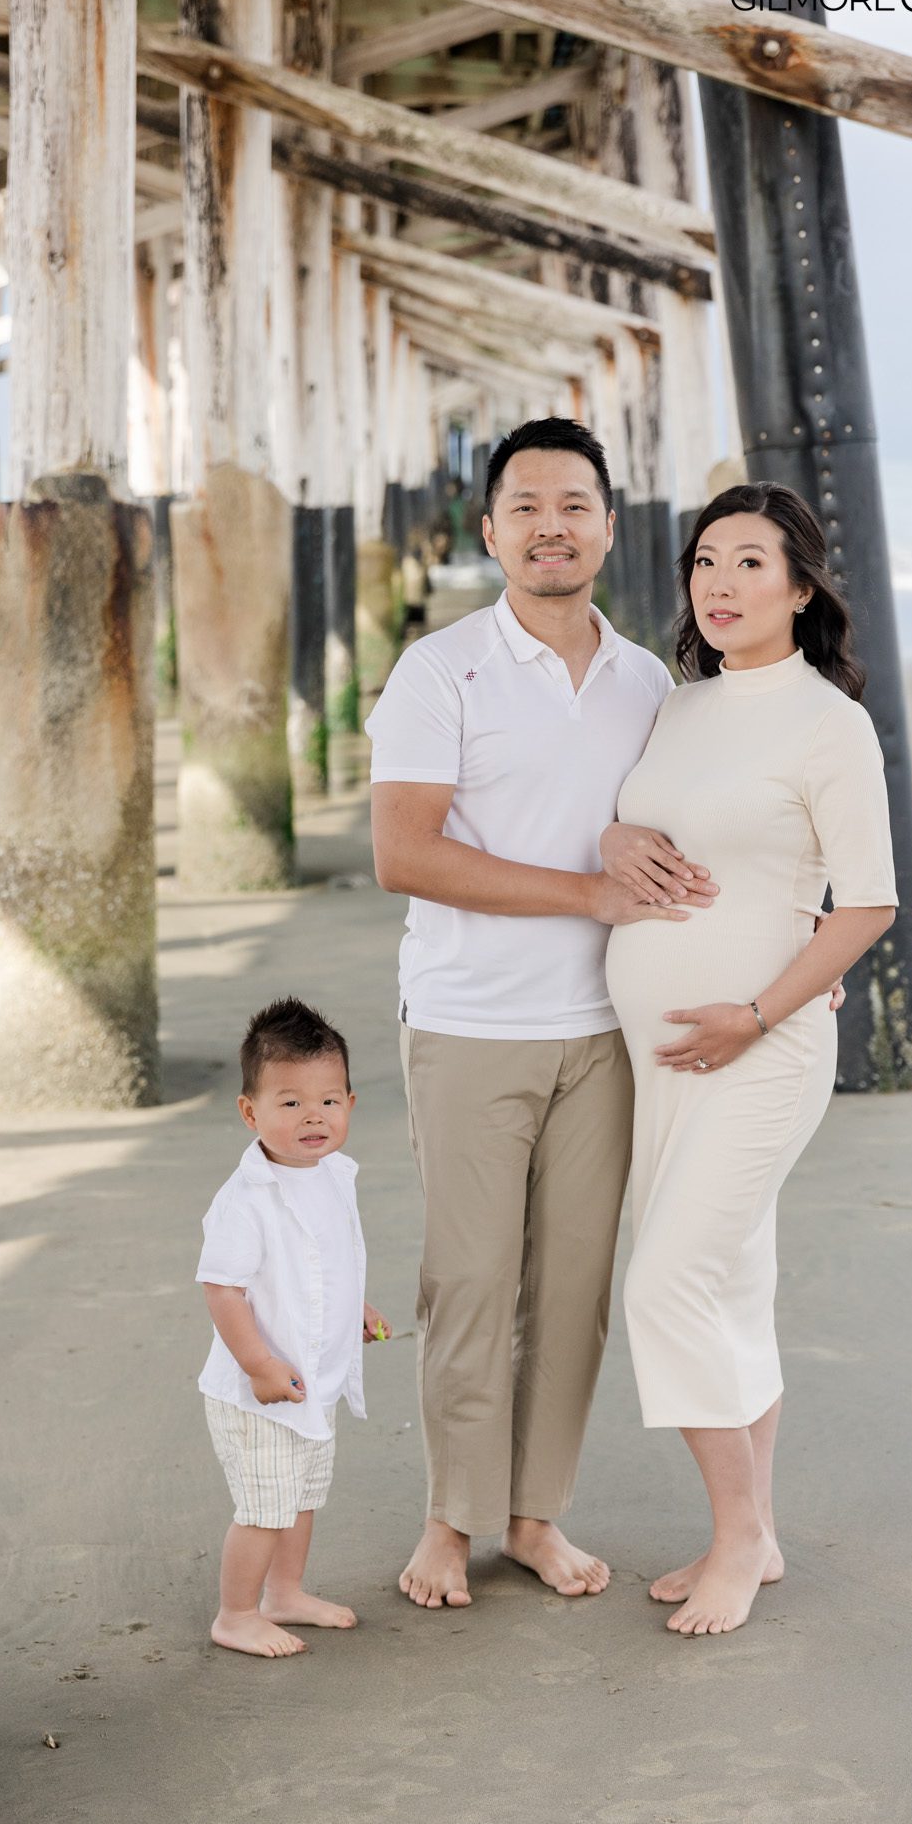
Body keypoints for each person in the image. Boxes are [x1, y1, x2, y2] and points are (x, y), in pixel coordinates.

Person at [365, 418, 707, 1611]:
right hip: (467, 1021)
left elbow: (682, 836)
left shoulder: (649, 681)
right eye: (525, 505)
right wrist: (587, 887)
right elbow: (403, 852)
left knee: (572, 1288)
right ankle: (449, 1520)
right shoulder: (439, 669)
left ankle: (534, 1514)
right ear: (492, 527)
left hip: (607, 1025)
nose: (550, 524)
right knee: (467, 1281)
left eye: (575, 503)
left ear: (612, 525)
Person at [603, 482, 898, 1637]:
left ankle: (733, 1537)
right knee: (726, 1285)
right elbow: (643, 823)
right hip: (661, 1056)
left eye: (751, 565)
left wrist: (758, 1011)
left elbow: (865, 901)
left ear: (802, 585)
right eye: (705, 562)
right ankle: (758, 1530)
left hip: (760, 1052)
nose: (720, 585)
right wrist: (614, 834)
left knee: (665, 1282)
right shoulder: (680, 706)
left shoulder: (829, 722)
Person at [196, 997, 389, 1658]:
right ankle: (236, 1611)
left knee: (302, 1497)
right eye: (290, 1103)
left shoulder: (332, 1175)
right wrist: (256, 1363)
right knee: (263, 1507)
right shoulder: (245, 1201)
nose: (313, 1116)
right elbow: (221, 1287)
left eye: (328, 1102)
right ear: (250, 1112)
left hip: (310, 1381)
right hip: (260, 1390)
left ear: (350, 1106)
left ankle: (285, 1593)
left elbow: (331, 1258)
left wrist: (353, 1309)